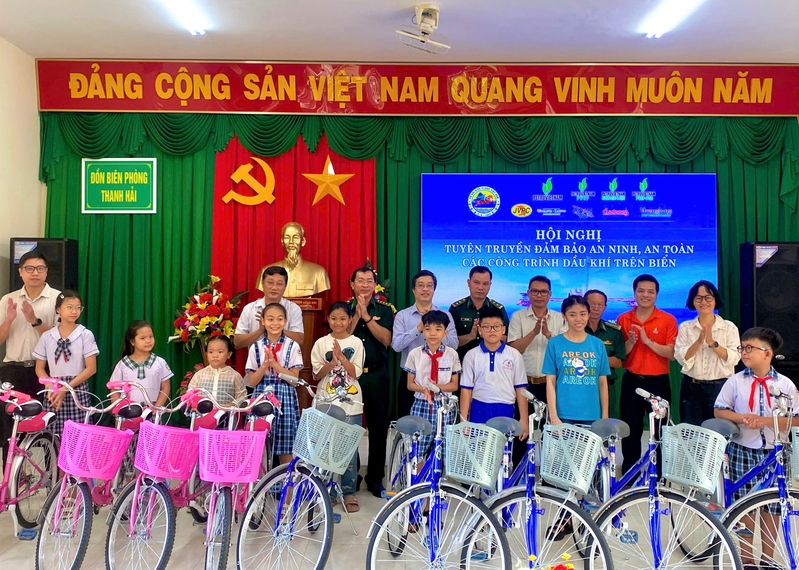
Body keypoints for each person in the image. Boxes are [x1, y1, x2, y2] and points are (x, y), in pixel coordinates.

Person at [714, 327, 798, 570]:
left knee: (774, 506)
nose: (744, 353)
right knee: (745, 506)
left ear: (767, 353)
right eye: (742, 348)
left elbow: (796, 419)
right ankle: (747, 559)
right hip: (743, 449)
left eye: (750, 348)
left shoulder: (785, 384)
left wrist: (766, 421)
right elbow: (719, 410)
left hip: (775, 452)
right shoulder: (735, 381)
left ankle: (768, 559)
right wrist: (742, 418)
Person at [0, 250, 60, 460]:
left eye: (40, 268)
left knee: (45, 423)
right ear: (20, 272)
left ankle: (48, 472)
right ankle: (10, 475)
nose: (35, 273)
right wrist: (9, 320)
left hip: (43, 370)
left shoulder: (57, 298)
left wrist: (34, 320)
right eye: (29, 268)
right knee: (9, 425)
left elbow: (59, 340)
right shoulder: (8, 299)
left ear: (46, 272)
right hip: (13, 369)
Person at [616, 274, 678, 473]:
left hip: (658, 383)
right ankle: (630, 476)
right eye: (641, 291)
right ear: (634, 293)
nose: (645, 295)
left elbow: (672, 354)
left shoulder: (667, 319)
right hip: (632, 381)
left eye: (650, 291)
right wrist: (630, 343)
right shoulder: (623, 319)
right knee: (630, 430)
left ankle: (658, 477)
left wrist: (648, 342)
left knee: (660, 430)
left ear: (656, 294)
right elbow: (621, 355)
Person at [311, 302, 365, 513]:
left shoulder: (356, 342)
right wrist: (332, 363)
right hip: (327, 401)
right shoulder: (321, 343)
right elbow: (316, 375)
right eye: (334, 318)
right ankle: (328, 491)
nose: (338, 322)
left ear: (350, 319)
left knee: (349, 448)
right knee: (326, 447)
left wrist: (342, 358)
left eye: (343, 318)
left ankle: (349, 491)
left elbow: (356, 373)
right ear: (328, 319)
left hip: (351, 403)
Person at [347, 265, 395, 498]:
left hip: (377, 375)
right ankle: (351, 476)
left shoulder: (385, 310)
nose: (365, 285)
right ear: (352, 284)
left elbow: (387, 340)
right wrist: (356, 315)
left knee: (378, 428)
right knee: (350, 426)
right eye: (361, 280)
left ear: (374, 286)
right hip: (350, 376)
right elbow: (341, 337)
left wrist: (367, 317)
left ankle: (375, 478)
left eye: (369, 281)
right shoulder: (344, 308)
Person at [32, 290, 98, 436]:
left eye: (78, 307)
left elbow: (91, 368)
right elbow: (39, 368)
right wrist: (50, 386)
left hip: (77, 388)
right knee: (52, 435)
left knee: (79, 435)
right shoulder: (47, 336)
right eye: (69, 307)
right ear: (58, 309)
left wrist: (66, 388)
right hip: (54, 390)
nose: (74, 311)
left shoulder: (85, 334)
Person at [392, 270, 458, 416]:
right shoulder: (403, 315)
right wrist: (419, 328)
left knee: (440, 421)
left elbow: (454, 344)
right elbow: (396, 346)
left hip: (441, 377)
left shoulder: (445, 315)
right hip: (411, 377)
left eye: (429, 285)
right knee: (409, 422)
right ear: (413, 289)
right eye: (421, 285)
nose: (425, 289)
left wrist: (436, 330)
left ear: (434, 289)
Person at [675, 281, 740, 425]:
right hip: (691, 387)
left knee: (719, 431)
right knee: (691, 431)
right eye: (698, 298)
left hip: (720, 387)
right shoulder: (685, 327)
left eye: (708, 297)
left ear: (715, 300)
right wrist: (699, 342)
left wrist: (712, 343)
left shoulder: (729, 327)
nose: (703, 302)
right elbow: (681, 357)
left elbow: (734, 358)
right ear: (693, 301)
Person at [245, 303, 303, 465]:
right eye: (270, 319)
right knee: (258, 448)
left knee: (285, 449)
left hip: (285, 398)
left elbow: (294, 380)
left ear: (285, 321)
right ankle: (260, 482)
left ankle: (287, 481)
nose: (275, 323)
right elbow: (252, 381)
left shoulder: (292, 346)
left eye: (279, 319)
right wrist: (264, 365)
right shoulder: (256, 347)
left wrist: (275, 365)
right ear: (263, 321)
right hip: (261, 397)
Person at [459, 306, 529, 440]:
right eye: (487, 327)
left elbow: (521, 388)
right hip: (479, 408)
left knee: (503, 450)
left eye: (496, 326)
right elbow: (466, 389)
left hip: (505, 408)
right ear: (480, 330)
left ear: (503, 329)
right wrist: (463, 420)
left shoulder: (514, 355)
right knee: (478, 449)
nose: (492, 330)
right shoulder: (471, 355)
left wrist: (524, 419)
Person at [543, 295, 610, 425]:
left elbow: (602, 382)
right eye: (572, 315)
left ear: (588, 315)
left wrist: (605, 415)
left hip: (592, 414)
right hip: (563, 415)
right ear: (564, 316)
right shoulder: (554, 344)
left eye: (583, 314)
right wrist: (554, 416)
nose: (578, 319)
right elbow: (550, 382)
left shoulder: (597, 344)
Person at [405, 310, 461, 456]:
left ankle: (438, 471)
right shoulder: (415, 354)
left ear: (445, 332)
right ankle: (417, 471)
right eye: (428, 329)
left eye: (438, 329)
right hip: (422, 404)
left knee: (444, 449)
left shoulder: (452, 354)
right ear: (423, 331)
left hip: (444, 405)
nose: (433, 333)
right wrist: (424, 389)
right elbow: (410, 384)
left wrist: (435, 388)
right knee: (418, 449)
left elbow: (454, 385)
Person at [508, 276, 568, 401]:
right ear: (529, 293)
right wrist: (534, 332)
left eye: (543, 292)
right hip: (523, 382)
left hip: (551, 383)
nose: (539, 295)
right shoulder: (518, 317)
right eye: (535, 291)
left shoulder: (560, 318)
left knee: (551, 414)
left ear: (549, 294)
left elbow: (564, 351)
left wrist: (548, 335)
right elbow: (514, 349)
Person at [235, 266, 304, 349]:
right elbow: (237, 343)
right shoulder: (249, 309)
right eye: (270, 283)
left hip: (285, 357)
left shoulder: (293, 309)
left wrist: (277, 328)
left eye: (279, 284)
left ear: (285, 286)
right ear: (262, 284)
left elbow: (300, 340)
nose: (274, 287)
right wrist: (260, 330)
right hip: (257, 356)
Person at [449, 266, 509, 362]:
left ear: (490, 285)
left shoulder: (498, 309)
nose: (480, 287)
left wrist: (487, 334)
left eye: (485, 284)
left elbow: (507, 338)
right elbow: (449, 342)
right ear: (469, 283)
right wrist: (470, 336)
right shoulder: (456, 309)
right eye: (476, 283)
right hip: (461, 362)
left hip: (493, 363)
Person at [257, 221, 331, 298]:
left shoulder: (319, 272)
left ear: (303, 241)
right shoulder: (265, 272)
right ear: (282, 241)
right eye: (287, 237)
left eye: (295, 237)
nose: (291, 242)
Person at [109, 320, 173, 407]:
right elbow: (115, 389)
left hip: (152, 410)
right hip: (128, 410)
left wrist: (156, 407)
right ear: (132, 341)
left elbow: (165, 387)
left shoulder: (160, 362)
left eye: (151, 336)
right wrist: (118, 409)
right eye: (143, 338)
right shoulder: (123, 364)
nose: (148, 341)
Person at [584, 289, 626, 388]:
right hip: (579, 382)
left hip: (606, 384)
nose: (596, 308)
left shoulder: (613, 331)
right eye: (592, 304)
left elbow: (617, 363)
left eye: (600, 305)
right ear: (584, 304)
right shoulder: (574, 329)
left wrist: (591, 358)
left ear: (605, 307)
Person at [188, 336, 247, 406]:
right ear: (206, 354)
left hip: (225, 412)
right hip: (202, 412)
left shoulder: (235, 376)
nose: (215, 355)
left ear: (229, 354)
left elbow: (242, 397)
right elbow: (190, 394)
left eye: (220, 352)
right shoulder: (199, 375)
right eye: (211, 352)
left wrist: (230, 405)